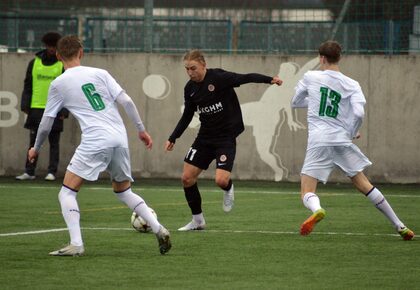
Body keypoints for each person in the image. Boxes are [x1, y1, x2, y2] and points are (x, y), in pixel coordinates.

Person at [28, 35, 171, 256]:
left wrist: (36, 147)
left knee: (67, 193)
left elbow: (47, 121)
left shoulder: (58, 83)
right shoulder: (100, 73)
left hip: (95, 139)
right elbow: (127, 101)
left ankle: (76, 244)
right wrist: (141, 129)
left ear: (58, 56)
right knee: (124, 192)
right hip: (119, 138)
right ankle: (158, 228)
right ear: (81, 52)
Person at [291, 40, 414, 240]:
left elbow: (295, 102)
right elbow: (358, 113)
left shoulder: (311, 77)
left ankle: (318, 209)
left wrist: (313, 100)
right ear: (339, 58)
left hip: (319, 141)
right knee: (364, 184)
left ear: (321, 58)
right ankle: (400, 225)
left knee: (307, 190)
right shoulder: (352, 84)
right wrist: (351, 131)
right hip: (341, 139)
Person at [165, 49, 283, 231]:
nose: (190, 73)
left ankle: (228, 188)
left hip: (225, 138)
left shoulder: (219, 78)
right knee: (187, 178)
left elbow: (245, 77)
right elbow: (188, 115)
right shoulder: (190, 89)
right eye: (187, 69)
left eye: (193, 68)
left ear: (203, 65)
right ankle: (198, 221)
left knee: (220, 180)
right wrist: (173, 137)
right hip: (204, 138)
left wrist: (270, 79)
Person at [16, 31, 69, 181]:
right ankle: (29, 171)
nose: (52, 49)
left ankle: (52, 171)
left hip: (56, 109)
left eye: (54, 46)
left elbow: (68, 88)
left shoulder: (62, 65)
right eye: (49, 46)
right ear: (45, 46)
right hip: (36, 108)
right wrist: (25, 105)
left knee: (54, 142)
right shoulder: (34, 63)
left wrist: (65, 110)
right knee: (33, 142)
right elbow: (28, 85)